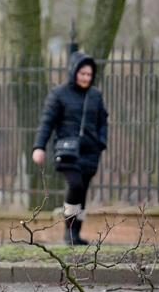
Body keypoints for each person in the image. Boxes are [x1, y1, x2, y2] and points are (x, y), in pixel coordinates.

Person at [31, 51, 108, 245]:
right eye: (82, 73)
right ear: (74, 72)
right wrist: (39, 147)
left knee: (82, 193)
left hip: (91, 152)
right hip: (67, 152)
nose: (86, 78)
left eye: (89, 74)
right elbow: (47, 122)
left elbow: (103, 121)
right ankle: (68, 230)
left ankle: (76, 233)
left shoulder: (95, 96)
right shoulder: (59, 94)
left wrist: (101, 142)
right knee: (75, 185)